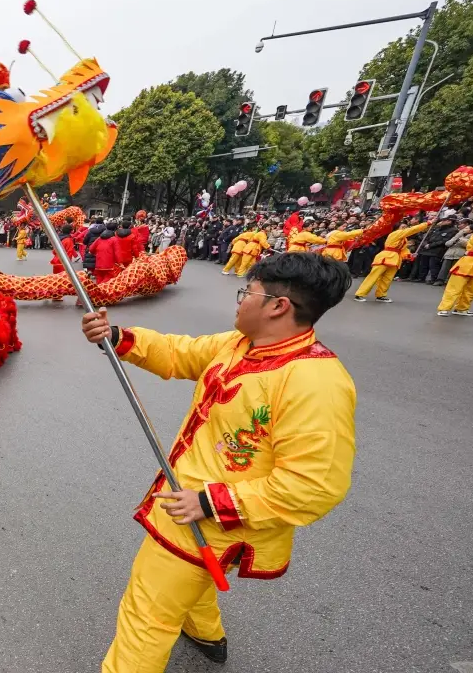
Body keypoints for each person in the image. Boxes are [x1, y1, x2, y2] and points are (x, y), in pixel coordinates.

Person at [81, 253, 356, 672]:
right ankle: (206, 634)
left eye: (248, 292)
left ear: (278, 306)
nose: (239, 300)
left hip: (212, 515)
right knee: (193, 579)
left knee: (147, 615)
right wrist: (118, 336)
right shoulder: (240, 344)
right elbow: (180, 353)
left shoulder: (316, 384)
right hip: (188, 504)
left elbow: (314, 485)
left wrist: (210, 503)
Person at [354, 220, 429, 302]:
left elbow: (403, 251)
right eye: (403, 227)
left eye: (405, 227)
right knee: (373, 276)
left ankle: (381, 295)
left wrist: (410, 256)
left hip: (395, 260)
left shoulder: (404, 239)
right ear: (397, 228)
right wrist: (427, 223)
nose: (405, 228)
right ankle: (360, 294)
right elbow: (412, 230)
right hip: (385, 258)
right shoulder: (395, 234)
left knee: (387, 279)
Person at [436, 221, 473, 317]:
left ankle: (462, 308)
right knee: (454, 288)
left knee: (471, 290)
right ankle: (444, 308)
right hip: (467, 263)